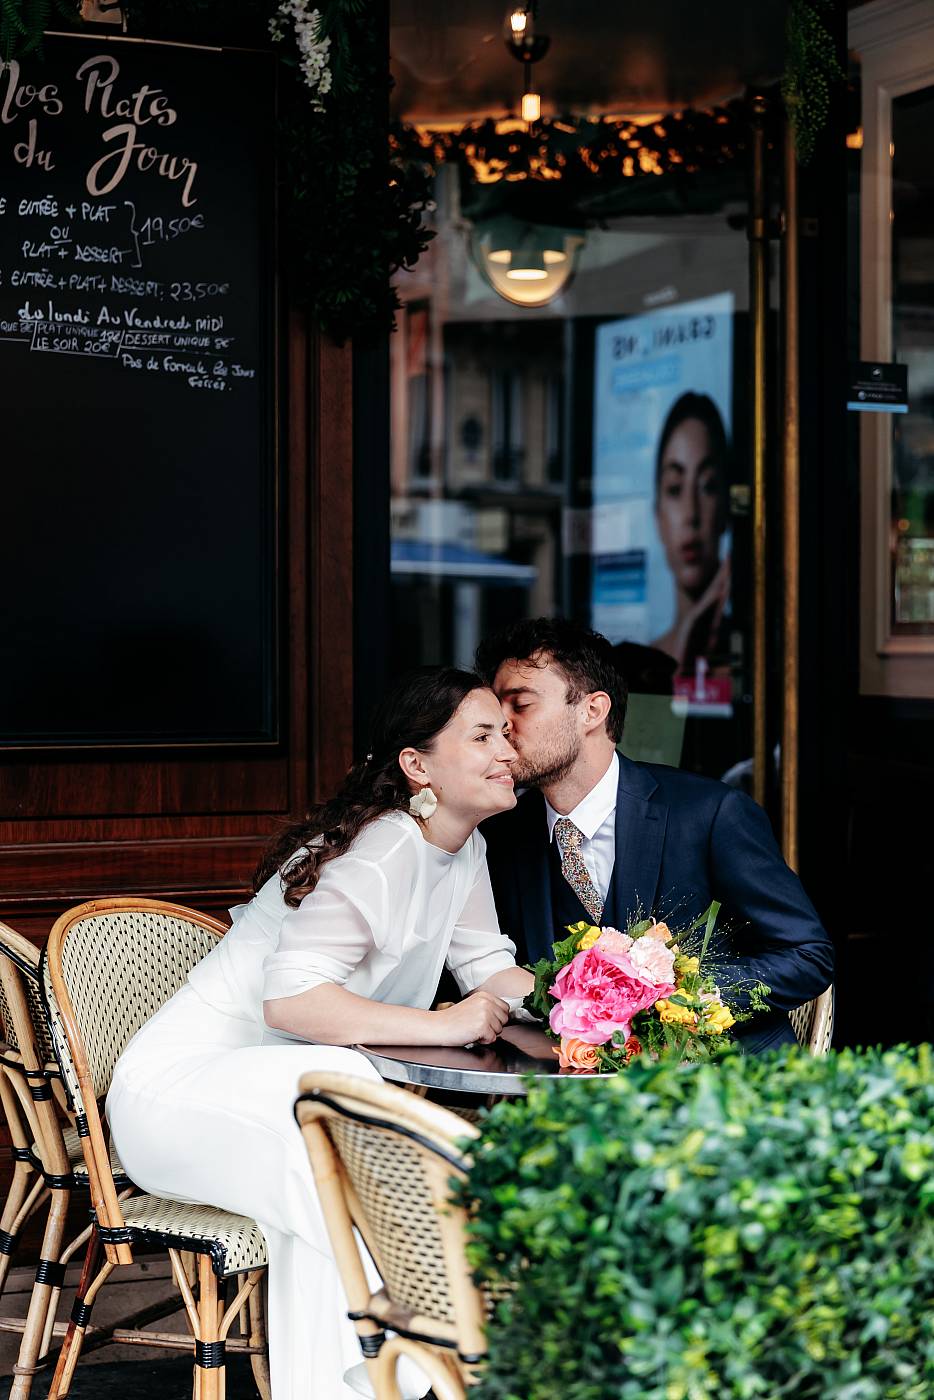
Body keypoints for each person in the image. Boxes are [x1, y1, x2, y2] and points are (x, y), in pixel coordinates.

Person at [106, 667, 533, 1400]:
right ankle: (432, 1354)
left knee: (327, 1191)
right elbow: (292, 1003)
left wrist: (600, 997)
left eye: (506, 734)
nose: (508, 752)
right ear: (417, 764)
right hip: (183, 1095)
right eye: (483, 736)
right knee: (346, 1102)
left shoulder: (462, 848)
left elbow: (490, 968)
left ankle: (358, 1381)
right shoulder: (385, 847)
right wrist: (443, 1023)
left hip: (283, 1095)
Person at [476, 618, 834, 1055]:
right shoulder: (499, 835)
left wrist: (674, 999)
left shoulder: (710, 813)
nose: (502, 725)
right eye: (497, 710)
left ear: (593, 710)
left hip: (723, 1077)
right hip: (561, 1082)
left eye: (521, 704)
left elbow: (807, 954)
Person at [649, 391, 731, 673]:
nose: (691, 514)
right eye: (675, 489)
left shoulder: (749, 659)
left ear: (726, 508)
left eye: (708, 486)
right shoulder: (641, 666)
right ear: (657, 515)